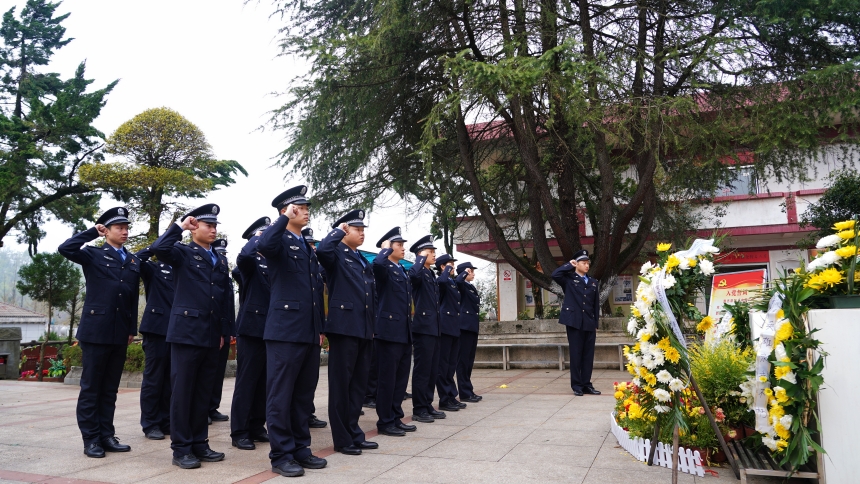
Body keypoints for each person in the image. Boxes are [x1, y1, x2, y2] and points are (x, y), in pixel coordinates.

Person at [151, 204, 230, 469]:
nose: (212, 230)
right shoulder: (183, 252)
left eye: (215, 226)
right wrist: (180, 226)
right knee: (183, 392)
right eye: (208, 225)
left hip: (210, 334)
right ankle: (181, 448)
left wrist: (222, 331)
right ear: (196, 228)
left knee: (202, 393)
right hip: (186, 333)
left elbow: (220, 299)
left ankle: (200, 443)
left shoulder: (218, 259)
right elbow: (159, 249)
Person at [58, 207, 140, 458]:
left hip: (119, 332)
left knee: (109, 388)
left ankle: (106, 434)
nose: (125, 232)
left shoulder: (132, 260)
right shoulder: (93, 254)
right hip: (96, 330)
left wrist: (130, 329)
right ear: (106, 230)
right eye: (119, 228)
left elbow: (132, 297)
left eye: (127, 228)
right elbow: (66, 248)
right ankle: (91, 439)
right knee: (92, 387)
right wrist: (91, 232)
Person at [257, 186, 327, 477]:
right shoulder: (279, 238)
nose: (306, 208)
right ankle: (281, 454)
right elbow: (264, 247)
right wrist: (283, 218)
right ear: (287, 209)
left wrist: (320, 330)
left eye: (306, 205)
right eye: (300, 205)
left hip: (308, 331)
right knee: (281, 396)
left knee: (302, 396)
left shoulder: (303, 244)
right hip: (285, 331)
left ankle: (301, 448)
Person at [316, 209, 378, 456]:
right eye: (356, 229)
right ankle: (342, 439)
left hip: (363, 328)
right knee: (342, 386)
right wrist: (337, 231)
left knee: (358, 385)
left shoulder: (360, 257)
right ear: (344, 230)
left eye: (363, 229)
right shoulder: (335, 254)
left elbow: (370, 295)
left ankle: (354, 433)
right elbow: (321, 251)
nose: (362, 233)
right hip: (344, 327)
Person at [230, 217, 273, 450]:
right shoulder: (249, 263)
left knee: (265, 383)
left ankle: (257, 425)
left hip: (273, 329)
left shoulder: (274, 261)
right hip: (252, 329)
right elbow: (243, 260)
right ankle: (240, 431)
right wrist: (257, 238)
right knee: (247, 382)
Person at [371, 227, 416, 437]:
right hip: (388, 332)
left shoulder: (401, 270)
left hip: (403, 332)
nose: (403, 248)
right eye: (398, 244)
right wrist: (385, 249)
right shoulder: (384, 267)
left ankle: (396, 416)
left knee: (400, 380)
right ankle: (385, 420)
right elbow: (377, 265)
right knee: (387, 380)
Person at [135, 245, 175, 440]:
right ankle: (150, 423)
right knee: (154, 379)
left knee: (170, 380)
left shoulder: (182, 269)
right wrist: (154, 247)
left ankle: (166, 421)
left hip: (177, 331)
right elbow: (135, 260)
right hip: (156, 329)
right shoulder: (153, 268)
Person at [551, 249, 601, 397]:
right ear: (577, 264)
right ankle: (577, 385)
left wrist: (596, 323)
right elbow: (555, 275)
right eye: (583, 263)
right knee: (576, 354)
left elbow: (596, 304)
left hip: (589, 322)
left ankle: (587, 384)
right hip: (574, 322)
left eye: (588, 263)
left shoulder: (593, 282)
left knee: (588, 355)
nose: (587, 266)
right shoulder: (568, 279)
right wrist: (569, 265)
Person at [408, 235, 446, 423]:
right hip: (423, 328)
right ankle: (419, 408)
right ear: (420, 254)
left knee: (432, 369)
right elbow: (412, 276)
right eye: (430, 252)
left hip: (434, 327)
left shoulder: (430, 274)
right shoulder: (418, 272)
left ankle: (428, 403)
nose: (434, 255)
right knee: (422, 370)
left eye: (433, 252)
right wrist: (420, 258)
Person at [302, 227, 328, 430]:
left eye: (314, 244)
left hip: (313, 328)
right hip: (288, 328)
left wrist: (320, 328)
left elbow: (318, 302)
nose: (312, 247)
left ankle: (307, 414)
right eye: (309, 244)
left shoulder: (317, 272)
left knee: (309, 379)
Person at [435, 254, 466, 412]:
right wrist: (446, 270)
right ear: (442, 267)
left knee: (451, 365)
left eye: (453, 265)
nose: (453, 267)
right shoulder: (442, 280)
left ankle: (451, 396)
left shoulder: (452, 282)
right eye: (450, 264)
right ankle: (444, 398)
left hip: (454, 327)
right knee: (444, 365)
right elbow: (440, 281)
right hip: (445, 327)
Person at [209, 239, 235, 424]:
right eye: (220, 255)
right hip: (212, 329)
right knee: (208, 373)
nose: (223, 259)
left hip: (224, 330)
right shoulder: (213, 279)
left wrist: (230, 331)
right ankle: (204, 409)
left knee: (218, 373)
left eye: (225, 255)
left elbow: (229, 309)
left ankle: (213, 407)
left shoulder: (227, 280)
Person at [455, 262, 482, 403]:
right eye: (471, 271)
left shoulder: (470, 286)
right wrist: (463, 273)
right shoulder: (461, 285)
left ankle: (468, 390)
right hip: (464, 327)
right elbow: (458, 280)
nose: (473, 274)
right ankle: (464, 392)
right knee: (463, 361)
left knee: (469, 361)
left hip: (471, 326)